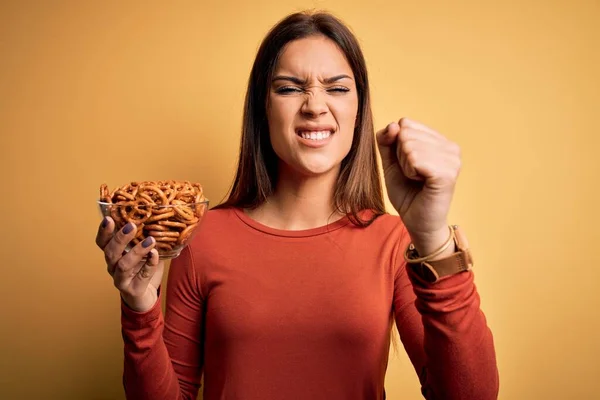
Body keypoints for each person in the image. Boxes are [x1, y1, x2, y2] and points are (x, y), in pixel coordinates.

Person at [95, 10, 499, 400]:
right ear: (263, 107)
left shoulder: (392, 240)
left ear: (359, 110)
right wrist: (140, 309)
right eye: (289, 88)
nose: (315, 106)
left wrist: (431, 237)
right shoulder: (203, 239)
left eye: (337, 88)